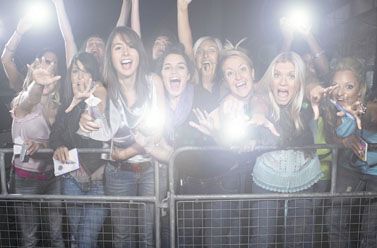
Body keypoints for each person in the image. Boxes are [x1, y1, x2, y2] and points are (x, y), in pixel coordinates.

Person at [78, 26, 165, 248]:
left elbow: (159, 131)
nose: (125, 53)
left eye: (131, 46)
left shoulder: (153, 82)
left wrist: (126, 152)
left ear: (139, 53)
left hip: (151, 170)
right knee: (122, 236)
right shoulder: (103, 87)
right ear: (110, 56)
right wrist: (87, 116)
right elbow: (95, 104)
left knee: (148, 234)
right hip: (118, 174)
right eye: (118, 48)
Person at [190, 42, 273, 246]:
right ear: (225, 80)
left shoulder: (266, 97)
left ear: (253, 72)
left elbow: (260, 104)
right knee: (218, 236)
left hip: (264, 183)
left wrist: (257, 126)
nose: (237, 77)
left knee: (254, 238)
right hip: (228, 181)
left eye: (242, 69)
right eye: (229, 73)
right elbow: (225, 143)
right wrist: (215, 133)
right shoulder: (223, 107)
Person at [249, 52, 322, 248]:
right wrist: (257, 114)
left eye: (291, 76)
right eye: (277, 75)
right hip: (267, 179)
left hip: (304, 178)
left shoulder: (308, 105)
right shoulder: (262, 100)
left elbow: (312, 85)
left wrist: (313, 87)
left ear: (298, 82)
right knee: (262, 239)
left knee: (298, 240)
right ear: (270, 80)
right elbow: (258, 102)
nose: (283, 82)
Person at [317, 57, 377, 248]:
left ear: (360, 89)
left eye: (349, 86)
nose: (341, 93)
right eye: (336, 86)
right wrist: (343, 141)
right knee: (334, 221)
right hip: (348, 171)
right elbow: (332, 137)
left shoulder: (369, 105)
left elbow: (372, 115)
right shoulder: (330, 109)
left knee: (370, 230)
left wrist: (361, 111)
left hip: (375, 176)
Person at [49, 52, 107, 248]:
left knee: (84, 240)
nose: (80, 76)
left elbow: (99, 119)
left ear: (93, 75)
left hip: (98, 181)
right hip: (72, 178)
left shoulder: (101, 95)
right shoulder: (66, 103)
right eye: (75, 71)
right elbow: (55, 136)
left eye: (85, 71)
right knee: (78, 237)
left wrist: (88, 102)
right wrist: (59, 146)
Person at [10, 56, 63, 247]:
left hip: (52, 177)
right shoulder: (22, 101)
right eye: (40, 71)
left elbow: (58, 142)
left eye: (51, 68)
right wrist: (37, 85)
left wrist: (42, 146)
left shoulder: (58, 107)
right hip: (26, 179)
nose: (46, 73)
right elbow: (29, 98)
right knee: (30, 237)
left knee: (57, 235)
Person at [177, 0, 223, 99]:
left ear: (220, 56)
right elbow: (186, 44)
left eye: (211, 50)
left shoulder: (228, 84)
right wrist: (182, 9)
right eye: (199, 51)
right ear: (195, 59)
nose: (205, 55)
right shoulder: (190, 81)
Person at [1, 15, 59, 92]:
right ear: (36, 63)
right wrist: (18, 32)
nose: (52, 66)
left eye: (54, 63)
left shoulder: (60, 95)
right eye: (48, 61)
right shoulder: (23, 85)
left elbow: (69, 41)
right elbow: (6, 60)